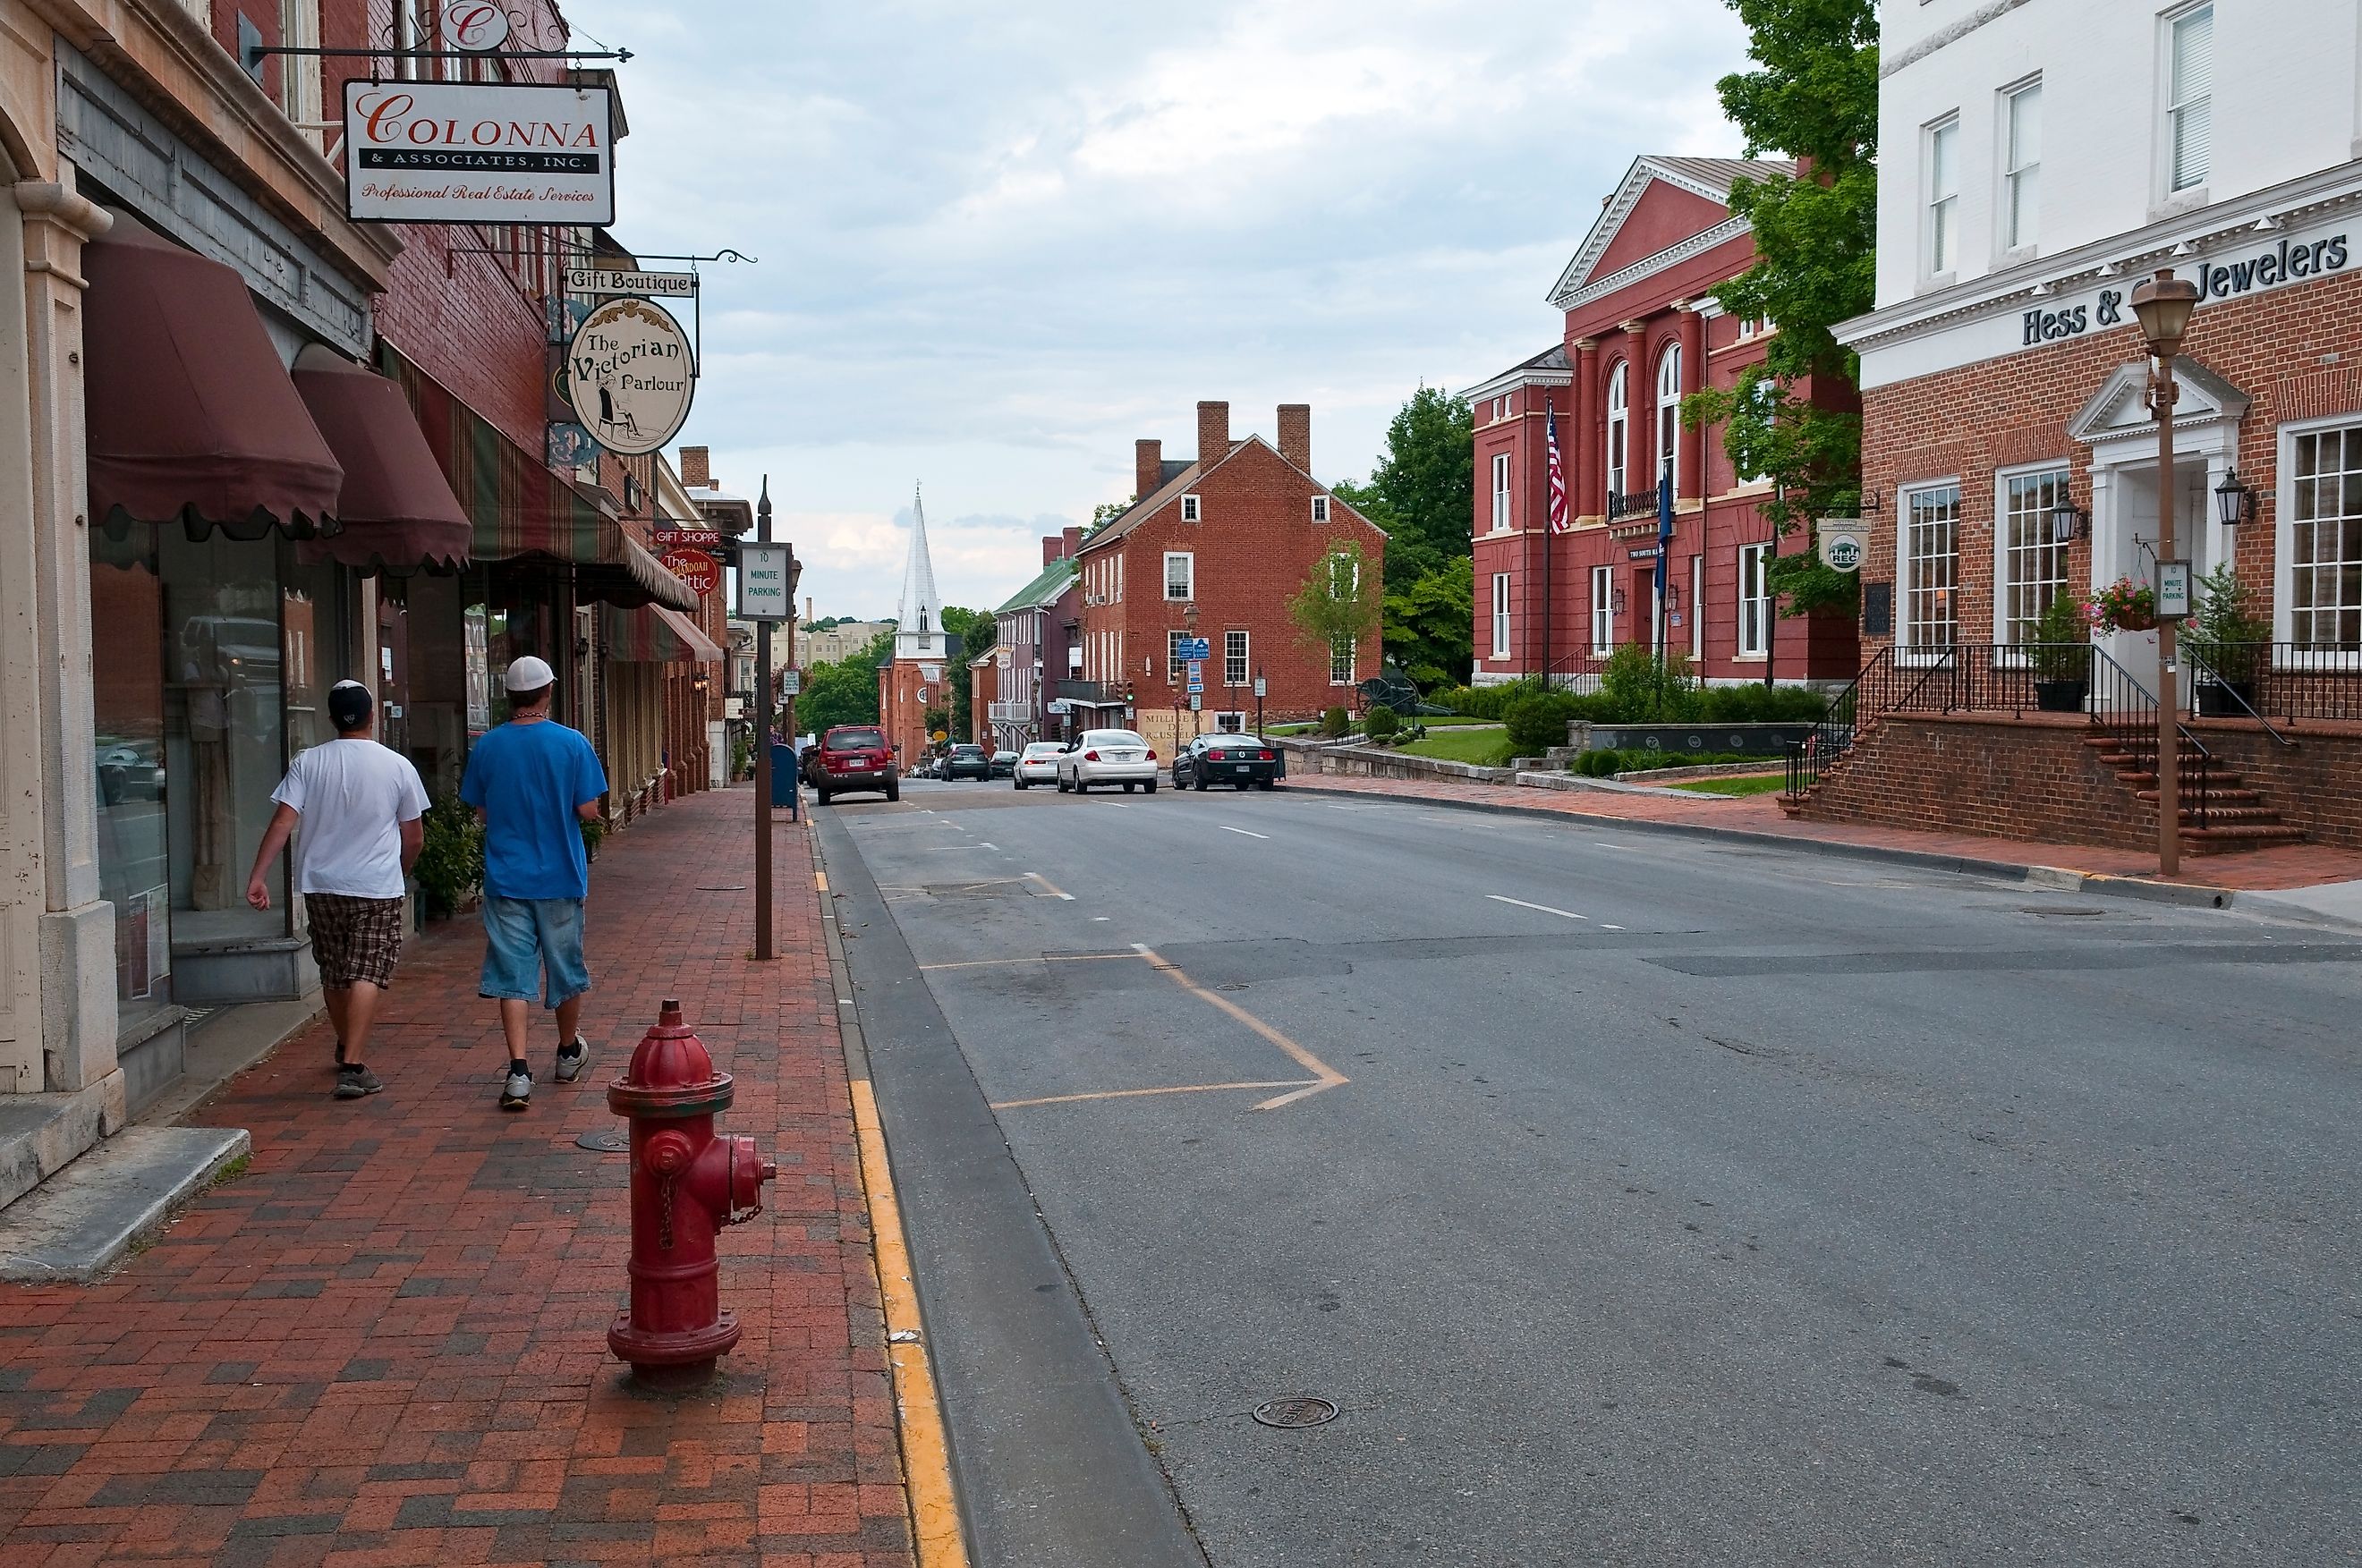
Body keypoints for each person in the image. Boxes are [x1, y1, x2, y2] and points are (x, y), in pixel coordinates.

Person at [245, 680, 428, 1099]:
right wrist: (398, 871)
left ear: (330, 719)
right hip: (376, 886)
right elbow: (413, 836)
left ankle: (347, 1043)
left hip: (321, 884)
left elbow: (283, 823)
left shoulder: (308, 762)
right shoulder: (397, 765)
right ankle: (353, 1064)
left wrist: (259, 875)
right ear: (372, 716)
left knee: (334, 968)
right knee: (367, 970)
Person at [460, 655, 608, 1112]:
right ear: (547, 693)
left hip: (506, 876)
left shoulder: (487, 747)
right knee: (565, 966)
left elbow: (481, 812)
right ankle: (567, 1053)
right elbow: (588, 811)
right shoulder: (571, 744)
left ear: (509, 696)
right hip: (560, 874)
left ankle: (519, 1071)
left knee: (512, 973)